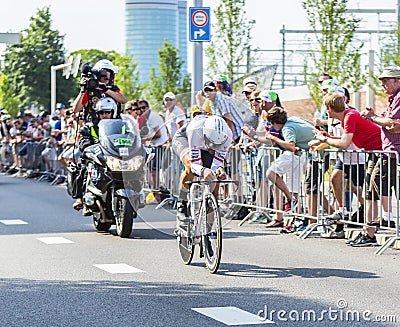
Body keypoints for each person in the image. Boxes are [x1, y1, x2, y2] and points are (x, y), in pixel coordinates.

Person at [312, 92, 382, 246]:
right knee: (366, 192)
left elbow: (344, 144)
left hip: (379, 153)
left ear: (329, 109)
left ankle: (377, 226)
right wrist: (324, 136)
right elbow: (345, 140)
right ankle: (367, 231)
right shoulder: (347, 117)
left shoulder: (350, 116)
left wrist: (324, 139)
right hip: (373, 153)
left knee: (367, 193)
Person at [243, 107, 315, 227]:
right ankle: (296, 219)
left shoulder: (287, 128)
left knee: (271, 173)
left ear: (275, 122)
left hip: (296, 153)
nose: (270, 126)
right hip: (301, 153)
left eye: (271, 124)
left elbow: (291, 146)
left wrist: (274, 138)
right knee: (294, 185)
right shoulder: (293, 120)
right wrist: (255, 136)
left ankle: (290, 198)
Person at [172, 114, 232, 230]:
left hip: (204, 144)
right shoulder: (195, 129)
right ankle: (182, 201)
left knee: (215, 184)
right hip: (184, 138)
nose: (213, 148)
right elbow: (195, 165)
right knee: (190, 166)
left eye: (216, 146)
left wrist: (219, 170)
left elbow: (217, 164)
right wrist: (204, 170)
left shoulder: (227, 135)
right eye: (212, 144)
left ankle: (208, 230)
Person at [72, 97, 118, 213]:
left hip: (113, 156)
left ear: (113, 112)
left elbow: (129, 137)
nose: (104, 115)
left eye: (107, 112)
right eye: (101, 112)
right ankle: (81, 198)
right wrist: (86, 145)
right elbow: (83, 140)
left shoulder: (120, 125)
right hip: (95, 156)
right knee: (84, 169)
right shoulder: (91, 126)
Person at [138, 99, 169, 190]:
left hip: (159, 146)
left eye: (144, 107)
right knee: (152, 170)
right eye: (140, 108)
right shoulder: (149, 117)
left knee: (154, 171)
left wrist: (145, 139)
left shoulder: (152, 117)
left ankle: (156, 191)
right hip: (156, 146)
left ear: (148, 107)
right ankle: (156, 190)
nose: (142, 109)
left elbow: (158, 134)